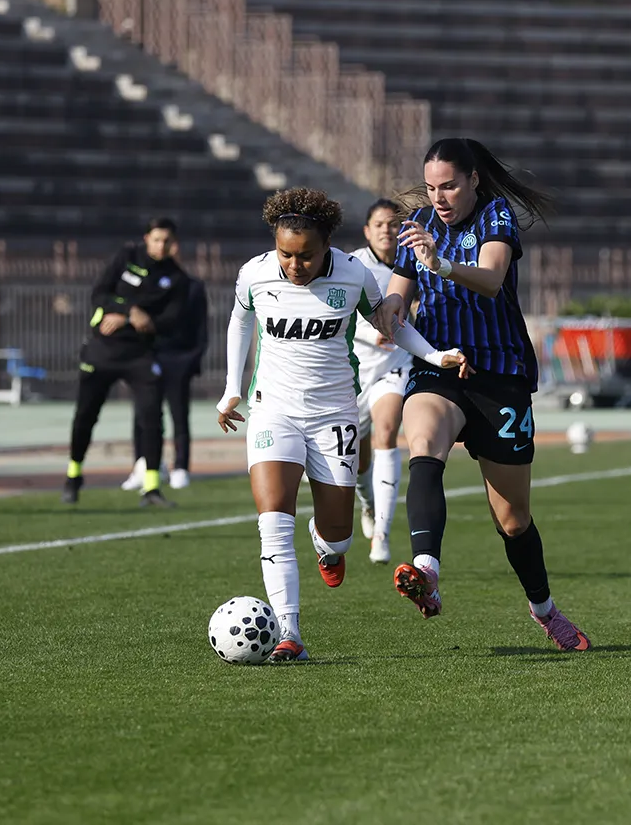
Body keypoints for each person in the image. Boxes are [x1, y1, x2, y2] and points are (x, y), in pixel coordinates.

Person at [216, 187, 463, 663]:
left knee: (338, 534)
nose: (294, 265)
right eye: (286, 254)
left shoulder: (355, 275)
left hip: (333, 413)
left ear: (327, 244)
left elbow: (390, 321)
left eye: (305, 255)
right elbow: (239, 321)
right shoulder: (255, 273)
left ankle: (326, 546)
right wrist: (234, 389)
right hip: (274, 410)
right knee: (273, 521)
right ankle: (290, 633)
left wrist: (434, 354)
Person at [376, 137, 590, 652]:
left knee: (513, 519)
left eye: (448, 185)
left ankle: (544, 610)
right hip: (443, 371)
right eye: (431, 187)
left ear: (473, 179)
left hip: (500, 377)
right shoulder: (420, 225)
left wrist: (440, 264)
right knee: (422, 442)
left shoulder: (496, 217)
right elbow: (398, 295)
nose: (439, 197)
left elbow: (492, 279)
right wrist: (388, 310)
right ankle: (426, 568)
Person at [63, 219, 188, 508]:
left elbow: (171, 321)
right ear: (147, 238)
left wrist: (145, 321)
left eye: (167, 241)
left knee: (151, 420)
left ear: (174, 243)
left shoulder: (176, 278)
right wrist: (129, 312)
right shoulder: (126, 257)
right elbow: (100, 294)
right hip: (102, 350)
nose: (161, 245)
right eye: (157, 239)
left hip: (140, 355)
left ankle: (152, 487)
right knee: (85, 415)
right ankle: (73, 476)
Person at [121, 224, 208, 493]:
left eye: (169, 243)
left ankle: (180, 467)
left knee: (179, 415)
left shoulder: (191, 286)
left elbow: (200, 330)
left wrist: (191, 361)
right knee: (143, 415)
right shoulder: (146, 285)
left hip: (178, 360)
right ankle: (145, 464)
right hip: (148, 357)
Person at [349, 200, 408, 565]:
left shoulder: (412, 264)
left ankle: (382, 534)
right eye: (379, 224)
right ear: (368, 231)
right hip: (356, 370)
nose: (387, 230)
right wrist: (374, 333)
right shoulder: (352, 267)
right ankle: (368, 504)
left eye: (393, 224)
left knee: (387, 431)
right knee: (357, 456)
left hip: (395, 365)